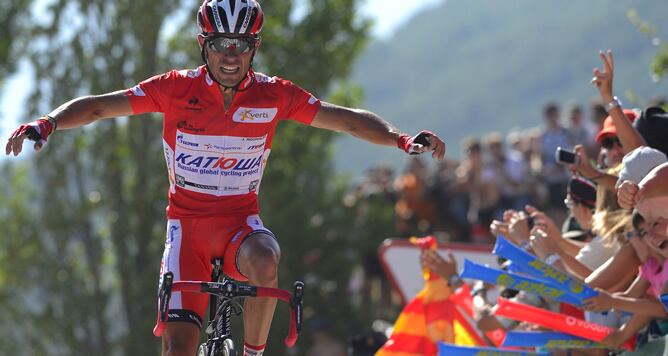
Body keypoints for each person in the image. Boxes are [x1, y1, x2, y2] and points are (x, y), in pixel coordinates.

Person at [4, 1, 446, 355]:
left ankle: (253, 353)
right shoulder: (176, 87)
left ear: (254, 46)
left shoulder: (276, 94)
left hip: (240, 225)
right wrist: (48, 123)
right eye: (220, 44)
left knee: (266, 260)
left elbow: (346, 120)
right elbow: (101, 106)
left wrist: (400, 139)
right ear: (204, 44)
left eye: (241, 44)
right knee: (179, 349)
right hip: (187, 232)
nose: (231, 55)